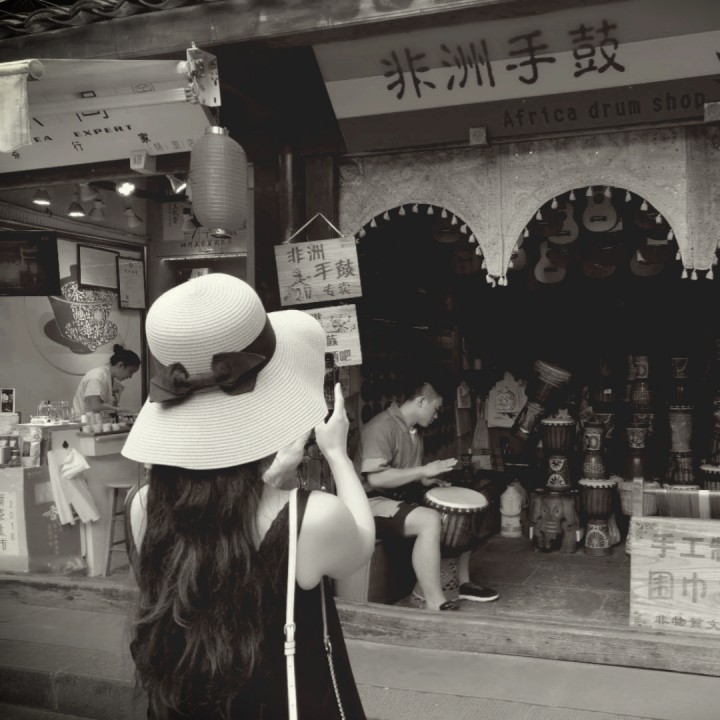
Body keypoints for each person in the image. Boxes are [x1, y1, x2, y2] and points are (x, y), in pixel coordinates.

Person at [122, 273, 375, 720]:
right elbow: (361, 544)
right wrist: (337, 454)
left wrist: (272, 476)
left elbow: (219, 521)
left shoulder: (141, 506)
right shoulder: (311, 519)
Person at [355, 376, 499, 611]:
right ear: (421, 401)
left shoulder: (413, 431)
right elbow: (376, 478)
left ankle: (461, 582)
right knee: (429, 520)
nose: (437, 415)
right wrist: (422, 470)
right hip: (368, 503)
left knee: (463, 509)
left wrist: (427, 480)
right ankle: (434, 602)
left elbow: (405, 473)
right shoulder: (380, 427)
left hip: (398, 498)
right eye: (436, 408)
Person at [71, 343, 140, 418]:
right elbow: (95, 406)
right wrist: (119, 409)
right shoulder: (97, 376)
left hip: (97, 421)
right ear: (121, 365)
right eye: (130, 372)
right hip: (83, 421)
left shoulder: (113, 381)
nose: (130, 376)